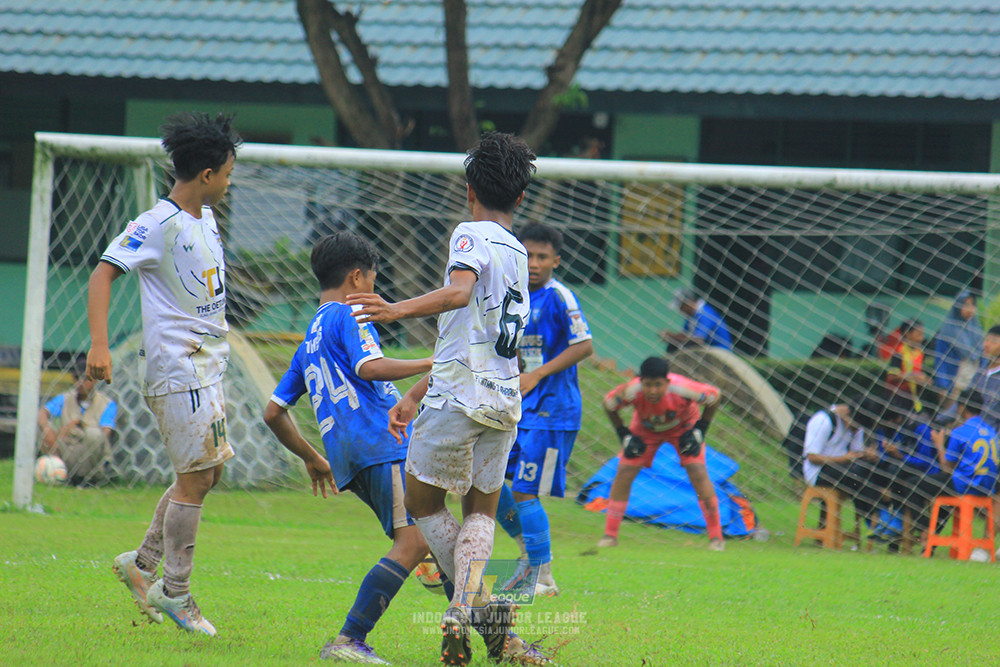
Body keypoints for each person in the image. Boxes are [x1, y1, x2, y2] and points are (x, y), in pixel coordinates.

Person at [346, 132, 536, 666]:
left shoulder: (469, 232)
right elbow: (472, 330)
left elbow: (458, 294)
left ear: (469, 188)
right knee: (482, 507)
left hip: (458, 396)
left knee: (424, 504)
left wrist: (394, 310)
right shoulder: (519, 250)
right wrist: (415, 390)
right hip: (503, 399)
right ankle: (483, 616)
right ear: (521, 198)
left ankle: (461, 607)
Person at [88, 112, 242, 636]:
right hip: (177, 370)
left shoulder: (205, 219)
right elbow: (103, 272)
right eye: (226, 173)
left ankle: (143, 563)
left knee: (207, 473)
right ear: (206, 175)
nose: (229, 181)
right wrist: (101, 345)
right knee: (198, 477)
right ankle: (175, 590)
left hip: (207, 365)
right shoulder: (157, 223)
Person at [263, 231, 433, 664]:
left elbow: (273, 412)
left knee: (432, 538)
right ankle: (348, 639)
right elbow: (370, 367)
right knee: (414, 541)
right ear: (357, 277)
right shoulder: (349, 315)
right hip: (381, 443)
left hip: (347, 457)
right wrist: (433, 362)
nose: (375, 294)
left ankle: (488, 634)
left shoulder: (310, 338)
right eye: (374, 283)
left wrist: (313, 458)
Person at [493, 221, 594, 598]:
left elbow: (584, 346)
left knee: (525, 491)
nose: (533, 263)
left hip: (554, 412)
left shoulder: (559, 297)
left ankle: (544, 575)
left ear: (556, 260)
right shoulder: (511, 296)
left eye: (542, 257)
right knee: (486, 480)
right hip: (519, 408)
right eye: (528, 255)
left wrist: (536, 375)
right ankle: (528, 554)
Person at [597, 356, 724, 550]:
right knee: (624, 472)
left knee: (697, 471)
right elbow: (608, 405)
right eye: (648, 385)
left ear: (667, 382)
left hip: (683, 426)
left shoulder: (683, 388)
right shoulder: (631, 391)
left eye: (658, 385)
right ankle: (610, 536)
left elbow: (714, 397)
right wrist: (624, 434)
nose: (653, 390)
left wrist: (699, 430)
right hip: (645, 429)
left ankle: (716, 538)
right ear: (641, 382)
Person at [899, 389, 999, 536]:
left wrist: (939, 444)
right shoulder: (992, 432)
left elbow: (946, 468)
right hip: (988, 487)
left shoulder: (960, 432)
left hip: (965, 485)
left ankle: (926, 531)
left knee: (912, 485)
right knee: (944, 492)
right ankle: (930, 543)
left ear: (961, 407)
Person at [37, 359, 117, 486]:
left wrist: (80, 424)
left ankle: (89, 480)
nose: (80, 382)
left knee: (93, 434)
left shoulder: (107, 404)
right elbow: (43, 412)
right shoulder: (66, 398)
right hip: (67, 449)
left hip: (89, 454)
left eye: (85, 378)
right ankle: (55, 470)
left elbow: (105, 433)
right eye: (76, 378)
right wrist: (47, 429)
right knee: (40, 426)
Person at [801, 401, 882, 524]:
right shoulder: (823, 420)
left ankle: (877, 518)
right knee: (858, 474)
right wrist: (843, 458)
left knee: (873, 469)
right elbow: (812, 457)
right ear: (847, 415)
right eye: (855, 426)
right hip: (818, 471)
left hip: (846, 468)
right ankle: (876, 518)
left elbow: (856, 451)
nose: (856, 431)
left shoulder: (857, 426)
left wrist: (868, 454)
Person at [933, 291, 983, 399]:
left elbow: (983, 357)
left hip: (975, 385)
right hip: (955, 385)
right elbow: (941, 360)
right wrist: (943, 386)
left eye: (972, 305)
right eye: (965, 305)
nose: (970, 309)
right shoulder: (947, 331)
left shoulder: (976, 330)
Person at [659, 288, 732, 352]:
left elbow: (698, 340)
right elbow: (685, 334)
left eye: (681, 307)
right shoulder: (691, 315)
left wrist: (672, 337)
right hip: (706, 348)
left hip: (719, 349)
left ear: (688, 302)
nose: (680, 310)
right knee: (672, 347)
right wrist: (670, 336)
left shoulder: (705, 314)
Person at [886, 318, 932, 412]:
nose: (921, 338)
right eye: (918, 334)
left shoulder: (920, 353)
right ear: (907, 334)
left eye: (922, 334)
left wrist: (926, 380)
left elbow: (921, 374)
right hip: (898, 399)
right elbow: (892, 376)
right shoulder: (899, 352)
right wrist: (913, 377)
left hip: (914, 399)